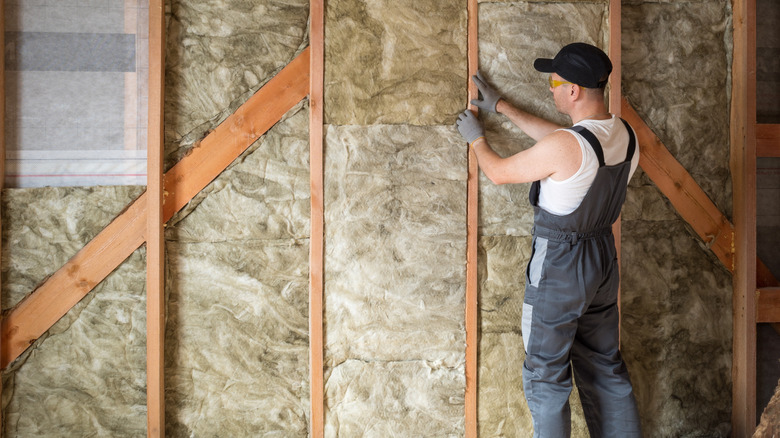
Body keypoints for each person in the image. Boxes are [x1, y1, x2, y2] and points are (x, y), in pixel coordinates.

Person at [456, 42, 642, 437]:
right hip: (601, 263)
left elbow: (500, 172)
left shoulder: (567, 146)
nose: (551, 89)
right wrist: (502, 107)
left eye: (555, 82)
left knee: (546, 375)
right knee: (605, 364)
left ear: (573, 91)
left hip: (561, 267)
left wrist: (476, 139)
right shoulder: (624, 135)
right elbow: (568, 140)